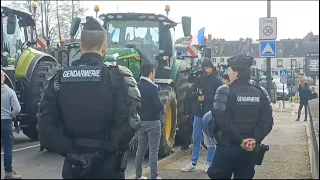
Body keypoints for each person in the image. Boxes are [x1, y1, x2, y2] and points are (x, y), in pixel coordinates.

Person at [37, 16, 141, 179]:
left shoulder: (60, 78)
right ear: (105, 47)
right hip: (108, 166)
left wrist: (71, 153)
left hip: (74, 167)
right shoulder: (117, 77)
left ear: (81, 45)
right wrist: (101, 152)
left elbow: (45, 126)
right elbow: (130, 123)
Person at [207, 55, 274, 179]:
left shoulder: (225, 91)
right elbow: (268, 121)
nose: (229, 74)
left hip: (228, 149)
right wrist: (254, 139)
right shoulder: (261, 93)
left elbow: (220, 120)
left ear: (236, 73)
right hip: (251, 150)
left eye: (230, 71)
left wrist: (239, 140)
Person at [182, 59, 222, 173]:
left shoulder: (217, 81)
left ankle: (209, 163)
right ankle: (193, 162)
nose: (206, 70)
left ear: (212, 68)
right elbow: (192, 92)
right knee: (196, 138)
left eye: (208, 68)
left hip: (209, 113)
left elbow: (218, 97)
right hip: (198, 112)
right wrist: (196, 95)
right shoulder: (200, 79)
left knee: (210, 139)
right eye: (204, 68)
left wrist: (206, 98)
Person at [135, 63, 163, 180]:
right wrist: (162, 107)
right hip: (153, 123)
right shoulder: (152, 88)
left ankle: (138, 175)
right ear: (151, 73)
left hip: (140, 122)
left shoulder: (137, 86)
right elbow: (158, 106)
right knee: (153, 151)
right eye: (154, 72)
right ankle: (154, 176)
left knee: (140, 150)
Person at [1, 70, 22, 179]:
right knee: (7, 148)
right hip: (5, 122)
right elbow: (17, 108)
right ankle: (8, 172)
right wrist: (11, 115)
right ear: (3, 78)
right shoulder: (10, 92)